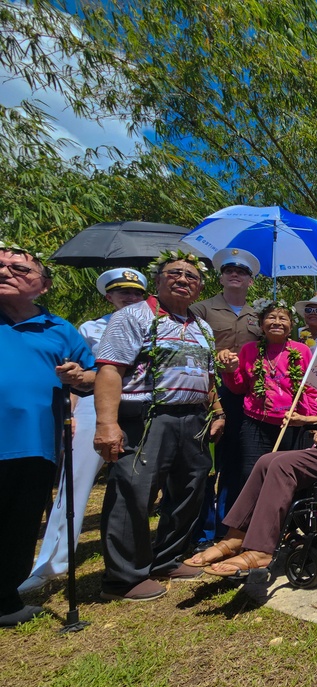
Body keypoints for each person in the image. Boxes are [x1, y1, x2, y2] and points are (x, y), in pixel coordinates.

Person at [94, 249, 224, 601]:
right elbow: (110, 370)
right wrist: (107, 423)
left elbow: (207, 375)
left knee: (190, 489)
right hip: (148, 417)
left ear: (198, 288)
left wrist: (218, 410)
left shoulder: (201, 327)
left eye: (191, 277)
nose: (183, 280)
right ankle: (123, 577)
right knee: (133, 492)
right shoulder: (134, 316)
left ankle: (167, 558)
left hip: (194, 418)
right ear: (158, 279)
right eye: (175, 274)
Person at [19, 267, 147, 594]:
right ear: (109, 296)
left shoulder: (154, 325)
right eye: (123, 293)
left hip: (140, 407)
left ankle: (138, 554)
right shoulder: (92, 327)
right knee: (73, 486)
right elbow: (79, 375)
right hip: (94, 406)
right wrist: (71, 411)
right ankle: (51, 563)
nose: (130, 298)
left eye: (135, 293)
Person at [1, 243, 95, 626]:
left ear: (43, 285)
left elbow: (92, 377)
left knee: (20, 521)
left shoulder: (59, 328)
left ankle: (5, 600)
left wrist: (78, 376)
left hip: (34, 442)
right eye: (1, 265)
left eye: (20, 269)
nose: (6, 272)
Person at [185, 416, 317, 575]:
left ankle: (261, 550)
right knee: (266, 461)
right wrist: (315, 421)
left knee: (281, 466)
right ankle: (235, 537)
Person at [189, 248, 261, 550]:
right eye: (229, 269)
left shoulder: (260, 314)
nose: (235, 274)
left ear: (250, 280)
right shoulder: (201, 309)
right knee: (203, 463)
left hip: (244, 395)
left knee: (234, 463)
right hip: (207, 391)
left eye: (242, 271)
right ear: (220, 276)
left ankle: (227, 527)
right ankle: (201, 533)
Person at [216, 302, 317, 498]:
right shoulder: (250, 350)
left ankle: (284, 526)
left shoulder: (302, 350)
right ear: (261, 323)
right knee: (251, 474)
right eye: (271, 317)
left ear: (291, 325)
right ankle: (251, 525)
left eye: (282, 318)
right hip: (255, 423)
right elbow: (239, 387)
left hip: (291, 425)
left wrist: (309, 419)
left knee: (289, 479)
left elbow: (311, 389)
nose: (276, 322)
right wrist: (230, 371)